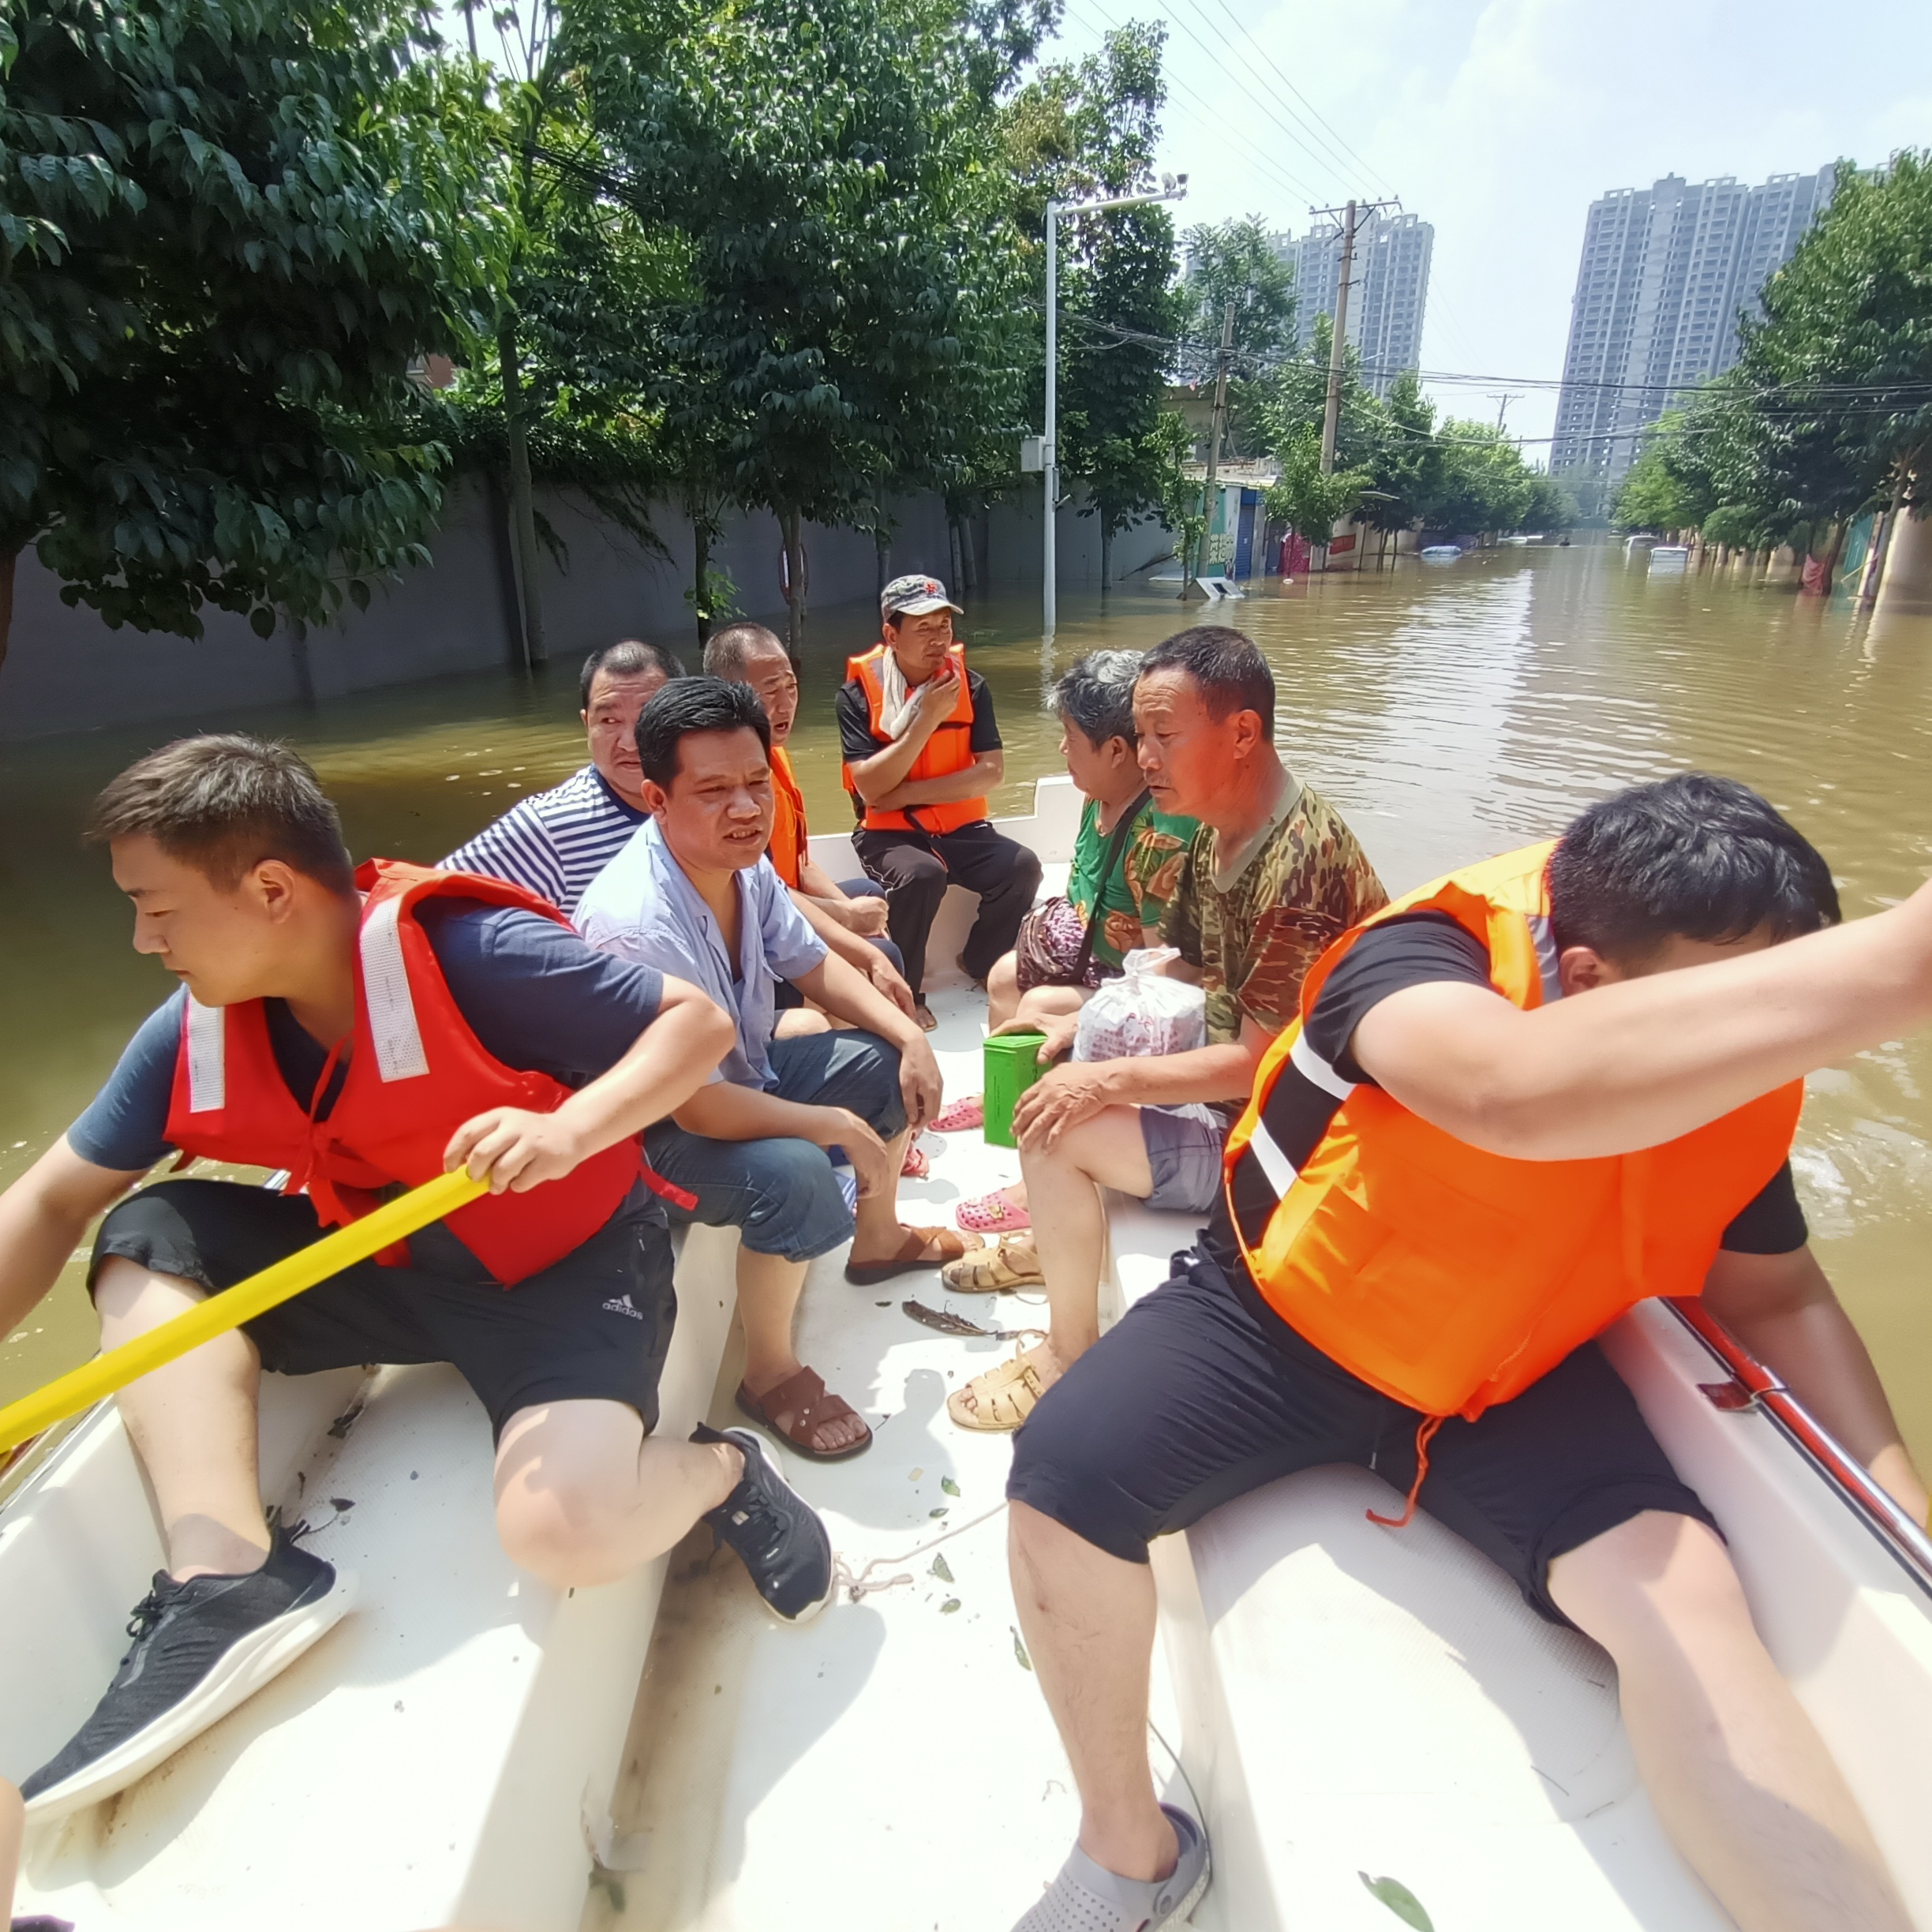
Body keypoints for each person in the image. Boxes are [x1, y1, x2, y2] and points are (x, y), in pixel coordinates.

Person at [1001, 773, 1930, 1932]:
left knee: (1690, 1600)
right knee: (1061, 1479)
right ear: (1588, 982)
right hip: (1284, 1325)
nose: (1746, 1039)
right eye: (1736, 1005)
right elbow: (1506, 1091)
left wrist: (1902, 1518)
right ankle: (1128, 1848)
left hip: (1515, 1368)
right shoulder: (1426, 959)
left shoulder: (1728, 1070)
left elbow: (1780, 1298)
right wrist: (1909, 964)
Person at [0, 735, 835, 1823]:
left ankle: (725, 1473)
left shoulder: (471, 952)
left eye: (156, 908)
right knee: (152, 1227)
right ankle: (226, 1578)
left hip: (559, 1269)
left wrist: (572, 1126)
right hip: (389, 1260)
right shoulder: (192, 1027)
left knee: (563, 1534)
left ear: (268, 889)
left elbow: (698, 1025)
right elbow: (53, 1198)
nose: (143, 939)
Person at [944, 627, 1387, 1430]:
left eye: (1164, 737)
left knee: (1055, 1128)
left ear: (1243, 733)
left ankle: (1067, 1353)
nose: (1145, 758)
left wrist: (1105, 1077)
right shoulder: (1220, 827)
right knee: (1056, 1027)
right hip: (1243, 1087)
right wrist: (1095, 1020)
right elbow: (1182, 966)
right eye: (1140, 738)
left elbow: (1260, 1066)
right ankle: (1059, 1238)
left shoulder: (1296, 867)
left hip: (1293, 1142)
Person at [575, 680, 973, 1461]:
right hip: (652, 1142)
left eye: (757, 783)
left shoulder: (742, 865)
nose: (748, 809)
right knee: (794, 1170)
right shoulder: (635, 922)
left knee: (885, 1060)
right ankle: (769, 1371)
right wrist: (825, 1123)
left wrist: (911, 1035)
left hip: (740, 1082)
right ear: (657, 798)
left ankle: (877, 1239)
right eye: (714, 790)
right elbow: (697, 1110)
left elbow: (813, 961)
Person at [934, 651, 1196, 1235]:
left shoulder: (1160, 832)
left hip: (1135, 982)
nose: (1061, 750)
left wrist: (1087, 1010)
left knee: (1039, 1010)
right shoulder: (1097, 794)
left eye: (1071, 738)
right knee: (1003, 976)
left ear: (1117, 752)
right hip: (1091, 953)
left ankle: (1036, 1182)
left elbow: (1164, 973)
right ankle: (1004, 1098)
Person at [840, 574, 1043, 1029]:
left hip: (959, 829)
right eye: (923, 628)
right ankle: (907, 991)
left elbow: (990, 773)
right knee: (921, 875)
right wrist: (926, 720)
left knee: (1022, 866)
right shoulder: (855, 697)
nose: (938, 639)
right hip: (887, 832)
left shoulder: (971, 686)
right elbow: (870, 790)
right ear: (891, 635)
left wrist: (907, 792)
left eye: (944, 626)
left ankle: (983, 960)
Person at [702, 620, 911, 1005]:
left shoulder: (774, 754)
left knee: (869, 895)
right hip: (757, 930)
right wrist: (845, 920)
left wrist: (847, 909)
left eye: (791, 688)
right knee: (884, 954)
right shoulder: (730, 782)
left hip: (782, 899)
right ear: (730, 696)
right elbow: (760, 894)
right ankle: (854, 1039)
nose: (785, 705)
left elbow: (800, 863)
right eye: (769, 692)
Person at [443, 638, 684, 914]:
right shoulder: (549, 826)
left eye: (646, 719)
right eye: (609, 721)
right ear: (586, 724)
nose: (629, 743)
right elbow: (430, 906)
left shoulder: (715, 799)